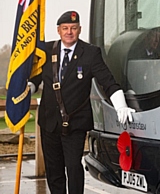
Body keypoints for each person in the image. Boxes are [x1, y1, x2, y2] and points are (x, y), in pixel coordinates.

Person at [29, 11, 135, 194]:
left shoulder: (90, 53)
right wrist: (24, 91)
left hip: (75, 123)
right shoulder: (46, 51)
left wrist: (121, 105)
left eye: (73, 28)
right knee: (54, 171)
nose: (69, 32)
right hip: (49, 122)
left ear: (79, 29)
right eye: (65, 28)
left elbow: (107, 81)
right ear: (59, 30)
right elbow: (35, 79)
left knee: (73, 167)